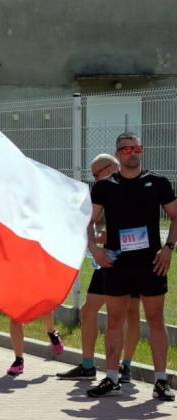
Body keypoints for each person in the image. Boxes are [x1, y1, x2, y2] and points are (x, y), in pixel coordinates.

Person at [86, 132, 176, 400]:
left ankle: (161, 381)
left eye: (136, 148)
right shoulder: (105, 186)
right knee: (114, 320)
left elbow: (175, 215)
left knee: (156, 321)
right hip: (117, 264)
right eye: (126, 150)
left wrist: (168, 248)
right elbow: (87, 221)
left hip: (151, 264)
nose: (132, 153)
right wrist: (95, 249)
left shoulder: (157, 182)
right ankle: (111, 378)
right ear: (117, 154)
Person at [57, 154, 141, 381]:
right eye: (92, 176)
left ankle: (126, 366)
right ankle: (87, 365)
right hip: (106, 260)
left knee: (131, 313)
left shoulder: (135, 186)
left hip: (133, 260)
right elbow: (94, 222)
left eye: (96, 174)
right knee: (88, 310)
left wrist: (103, 237)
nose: (94, 179)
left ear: (112, 167)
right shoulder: (102, 191)